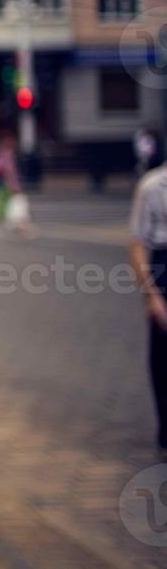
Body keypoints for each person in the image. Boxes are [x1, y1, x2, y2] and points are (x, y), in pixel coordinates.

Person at [129, 160, 167, 460]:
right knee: (162, 356)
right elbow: (137, 243)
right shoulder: (152, 186)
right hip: (163, 268)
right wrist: (151, 294)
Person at [0, 128, 31, 242]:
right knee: (6, 206)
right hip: (6, 185)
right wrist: (15, 186)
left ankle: (19, 227)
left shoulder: (0, 155)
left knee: (6, 206)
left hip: (1, 185)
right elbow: (9, 173)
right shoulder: (7, 156)